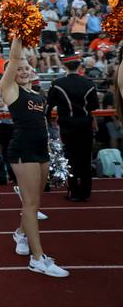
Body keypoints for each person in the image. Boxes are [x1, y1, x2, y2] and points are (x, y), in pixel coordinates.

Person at [0, 38, 69, 277]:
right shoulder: (11, 91)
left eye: (26, 67)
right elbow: (13, 60)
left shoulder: (39, 95)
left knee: (35, 201)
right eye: (18, 69)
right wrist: (19, 35)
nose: (23, 70)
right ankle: (37, 258)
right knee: (30, 203)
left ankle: (20, 233)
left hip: (41, 150)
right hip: (22, 150)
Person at [47, 55, 99, 202]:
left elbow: (49, 106)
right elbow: (94, 106)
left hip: (67, 126)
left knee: (71, 159)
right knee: (85, 159)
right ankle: (85, 192)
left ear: (65, 67)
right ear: (79, 66)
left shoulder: (57, 83)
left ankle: (74, 192)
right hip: (85, 125)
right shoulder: (89, 83)